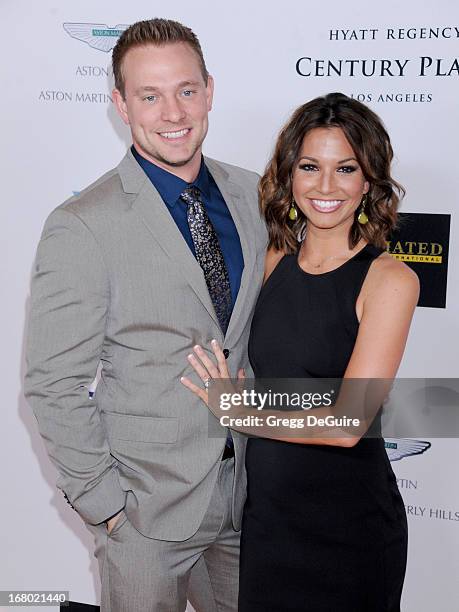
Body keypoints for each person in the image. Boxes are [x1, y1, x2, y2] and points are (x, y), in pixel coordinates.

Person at [24, 18, 267, 612]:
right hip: (144, 512)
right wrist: (105, 505)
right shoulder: (84, 223)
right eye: (149, 96)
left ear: (209, 90)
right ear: (120, 104)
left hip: (252, 497)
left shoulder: (256, 196)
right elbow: (52, 382)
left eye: (186, 90)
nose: (173, 112)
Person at [181, 92, 420, 611]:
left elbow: (349, 420)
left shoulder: (390, 279)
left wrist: (238, 410)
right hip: (268, 522)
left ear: (369, 180)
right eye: (310, 166)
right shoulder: (270, 259)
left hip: (351, 529)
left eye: (346, 168)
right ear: (290, 173)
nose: (326, 187)